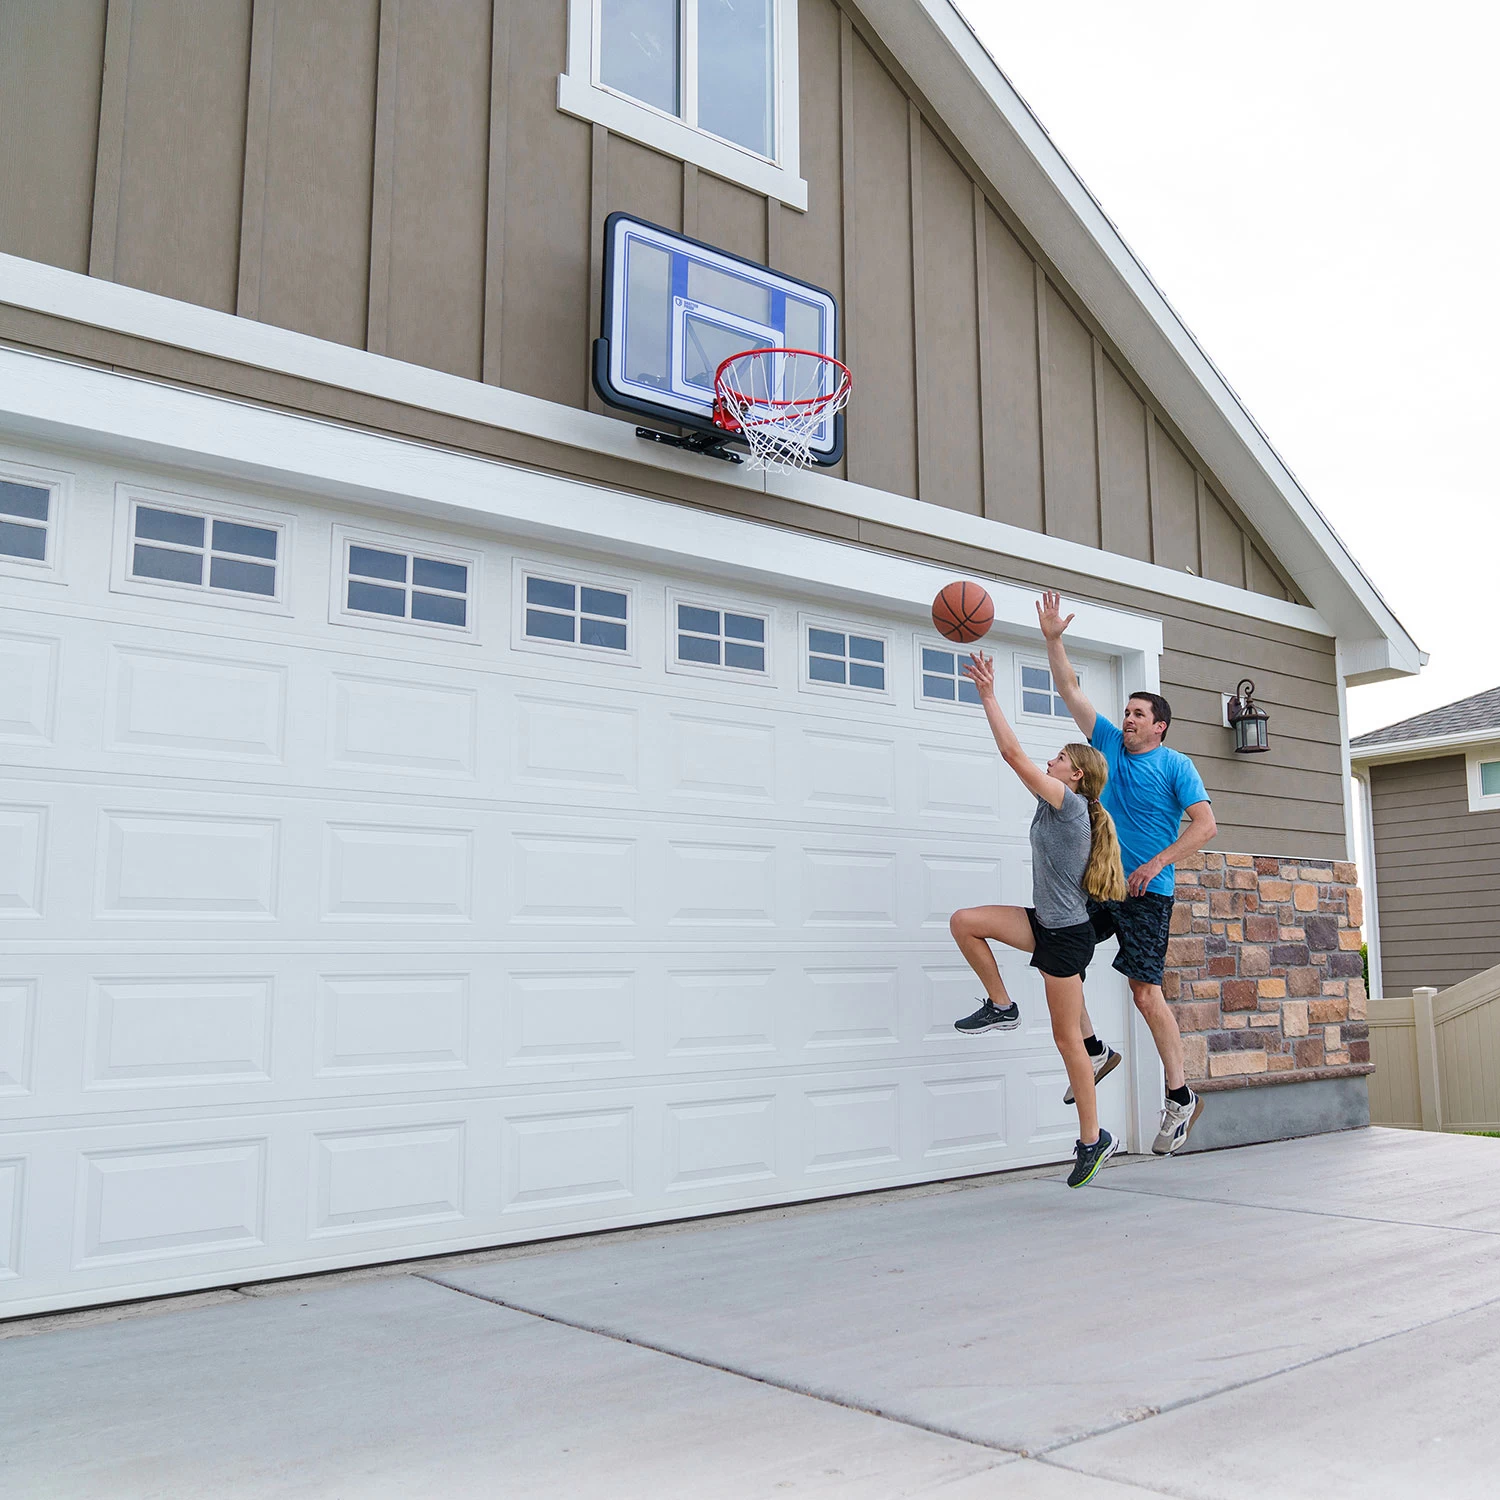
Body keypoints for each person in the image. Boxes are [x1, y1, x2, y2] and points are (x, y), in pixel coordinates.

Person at [1035, 589, 1218, 1155]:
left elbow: (1205, 826)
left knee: (1144, 993)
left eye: (1139, 714)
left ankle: (1180, 1096)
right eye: (1128, 713)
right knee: (1060, 952)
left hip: (1147, 892)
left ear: (1159, 726)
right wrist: (1053, 639)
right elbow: (1069, 688)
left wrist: (1157, 862)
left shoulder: (1175, 765)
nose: (1128, 719)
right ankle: (1092, 1050)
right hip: (1102, 885)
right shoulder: (1108, 743)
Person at [949, 650, 1129, 1189]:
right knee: (965, 921)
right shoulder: (1057, 805)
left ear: (1075, 774)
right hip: (1045, 922)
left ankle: (1094, 1139)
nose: (1048, 761)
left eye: (1057, 758)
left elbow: (1011, 753)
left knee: (1064, 1041)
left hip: (1066, 938)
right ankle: (1002, 1006)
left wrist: (987, 694)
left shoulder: (1069, 805)